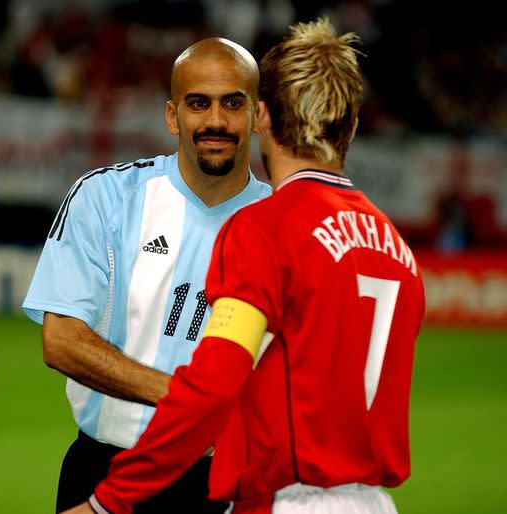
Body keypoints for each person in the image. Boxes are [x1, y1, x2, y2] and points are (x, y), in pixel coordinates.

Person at [62, 17, 426, 514]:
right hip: (373, 500)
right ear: (354, 126)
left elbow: (214, 386)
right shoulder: (395, 248)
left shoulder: (265, 228)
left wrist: (107, 502)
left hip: (285, 498)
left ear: (263, 119)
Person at [22, 37, 271, 513]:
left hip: (228, 482)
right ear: (173, 116)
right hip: (106, 467)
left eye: (232, 104)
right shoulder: (106, 198)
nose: (216, 121)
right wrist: (186, 398)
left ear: (256, 115)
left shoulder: (281, 223)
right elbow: (61, 341)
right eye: (199, 103)